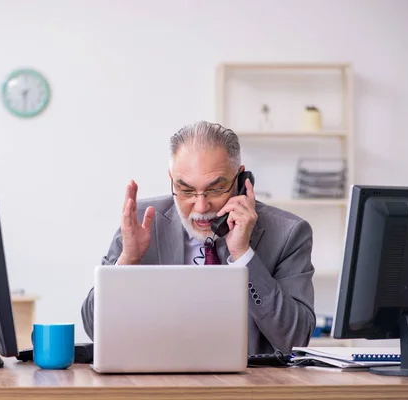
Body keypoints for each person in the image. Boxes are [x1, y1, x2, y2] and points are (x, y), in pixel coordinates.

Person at [81, 121, 315, 355]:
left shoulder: (289, 233)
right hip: (157, 384)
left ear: (241, 180)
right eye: (186, 190)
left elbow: (295, 339)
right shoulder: (141, 221)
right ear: (172, 179)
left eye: (215, 189)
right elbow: (93, 328)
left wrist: (244, 255)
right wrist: (127, 261)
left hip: (247, 388)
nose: (201, 207)